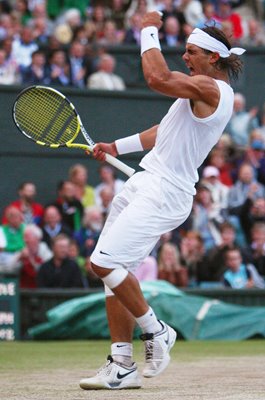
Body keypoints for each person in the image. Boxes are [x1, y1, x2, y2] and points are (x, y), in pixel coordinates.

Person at [79, 11, 245, 391]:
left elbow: (156, 77)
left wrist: (147, 28)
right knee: (113, 277)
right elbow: (162, 131)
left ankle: (157, 331)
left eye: (190, 51)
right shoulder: (196, 91)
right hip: (145, 181)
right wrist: (114, 147)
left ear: (212, 58)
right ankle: (122, 363)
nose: (184, 57)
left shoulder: (213, 90)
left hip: (165, 191)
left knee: (102, 262)